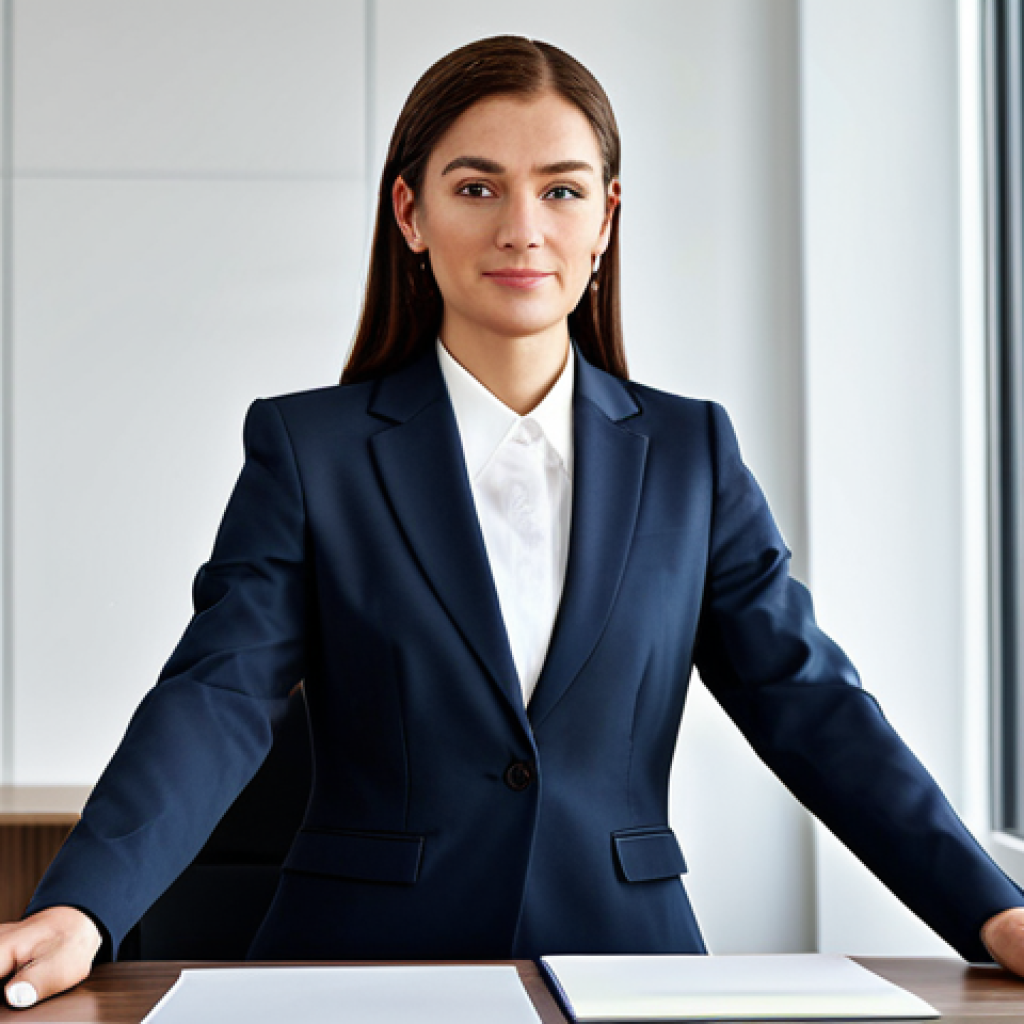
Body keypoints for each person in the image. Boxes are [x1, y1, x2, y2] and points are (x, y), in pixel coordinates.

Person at [3, 33, 1024, 1012]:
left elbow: (809, 703)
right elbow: (218, 692)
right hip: (360, 971)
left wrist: (992, 910)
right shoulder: (309, 451)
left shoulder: (690, 455)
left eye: (562, 189)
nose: (522, 228)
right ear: (410, 212)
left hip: (629, 967)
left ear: (607, 217)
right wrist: (81, 906)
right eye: (477, 186)